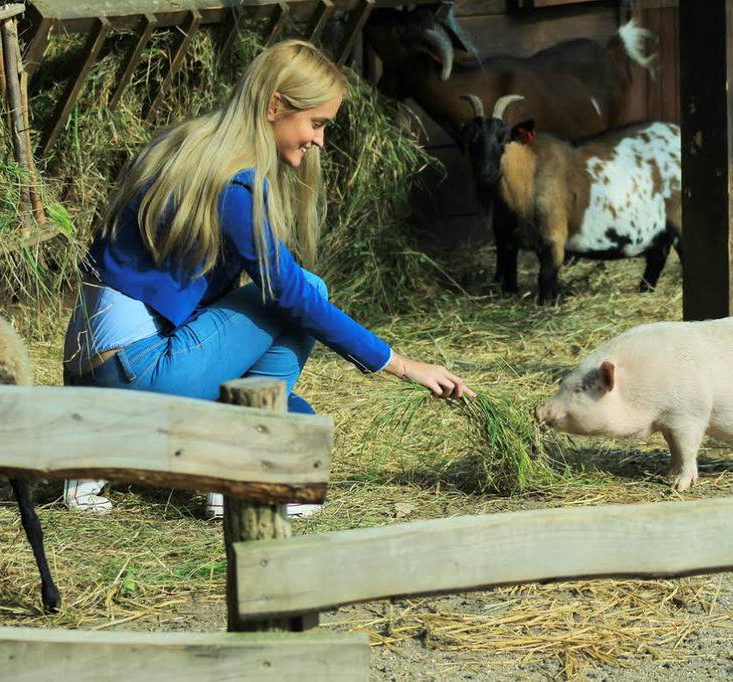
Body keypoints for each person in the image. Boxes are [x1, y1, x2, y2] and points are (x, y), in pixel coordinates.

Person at [62, 39, 474, 518]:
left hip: (94, 377)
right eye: (316, 123)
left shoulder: (182, 147)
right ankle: (239, 472)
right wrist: (401, 364)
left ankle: (100, 449)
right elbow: (291, 296)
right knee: (307, 291)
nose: (319, 140)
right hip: (140, 374)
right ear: (275, 106)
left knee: (298, 421)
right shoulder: (236, 182)